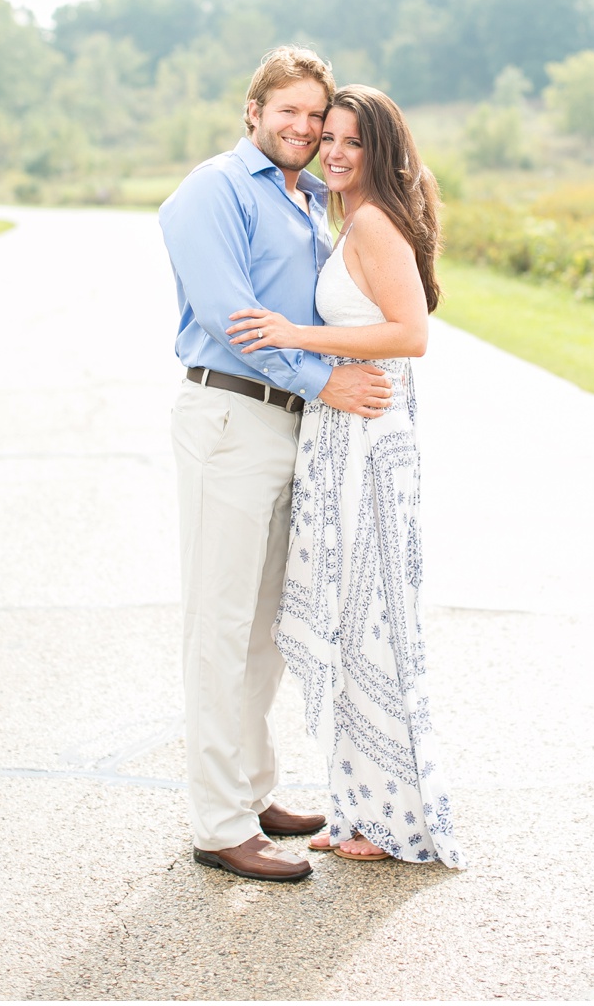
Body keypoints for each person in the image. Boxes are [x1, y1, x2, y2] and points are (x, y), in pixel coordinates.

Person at [156, 46, 394, 884]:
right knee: (218, 625)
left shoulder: (301, 200)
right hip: (230, 418)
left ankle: (253, 790)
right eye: (286, 110)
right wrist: (326, 377)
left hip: (294, 427)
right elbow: (234, 322)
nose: (302, 128)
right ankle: (218, 823)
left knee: (267, 627)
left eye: (315, 116)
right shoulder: (211, 190)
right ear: (251, 110)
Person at [227, 85, 466, 868]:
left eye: (351, 142)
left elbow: (412, 333)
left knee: (368, 621)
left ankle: (387, 820)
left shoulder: (370, 222)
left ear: (380, 150)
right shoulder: (350, 217)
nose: (332, 150)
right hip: (344, 430)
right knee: (346, 617)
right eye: (327, 136)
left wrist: (295, 331)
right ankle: (356, 806)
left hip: (369, 440)